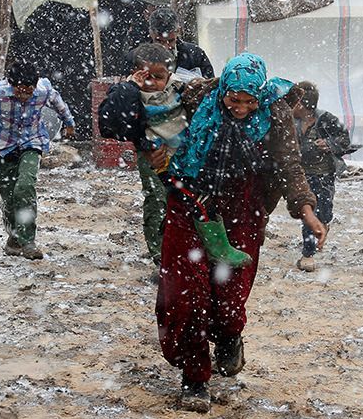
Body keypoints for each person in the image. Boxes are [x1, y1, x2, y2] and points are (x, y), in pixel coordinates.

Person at [157, 53, 327, 412]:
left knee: (230, 295)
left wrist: (307, 211)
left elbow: (288, 166)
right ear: (222, 92)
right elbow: (150, 122)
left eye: (249, 102)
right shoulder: (196, 99)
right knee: (188, 295)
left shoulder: (274, 112)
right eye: (233, 100)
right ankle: (195, 378)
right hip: (190, 199)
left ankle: (230, 336)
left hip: (242, 207)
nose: (240, 108)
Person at [99, 43, 250, 282]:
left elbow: (206, 92)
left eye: (158, 77)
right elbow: (111, 123)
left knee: (192, 205)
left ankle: (197, 255)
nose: (151, 83)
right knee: (161, 203)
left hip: (187, 156)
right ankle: (164, 259)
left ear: (169, 74)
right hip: (157, 158)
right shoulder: (130, 93)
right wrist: (129, 87)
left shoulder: (180, 88)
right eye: (145, 77)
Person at [0, 59, 76, 259]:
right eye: (20, 90)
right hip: (4, 147)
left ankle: (28, 242)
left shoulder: (43, 89)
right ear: (11, 84)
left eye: (28, 90)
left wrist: (69, 123)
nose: (24, 95)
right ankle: (14, 237)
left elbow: (59, 104)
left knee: (25, 186)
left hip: (32, 143)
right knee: (9, 198)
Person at [291, 81, 351, 272]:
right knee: (308, 213)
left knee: (324, 212)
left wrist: (329, 144)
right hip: (301, 175)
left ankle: (323, 225)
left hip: (324, 175)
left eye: (295, 102)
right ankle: (307, 254)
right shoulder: (291, 122)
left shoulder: (326, 120)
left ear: (303, 105)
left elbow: (345, 140)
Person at [124, 7, 214, 81]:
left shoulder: (195, 54)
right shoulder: (135, 57)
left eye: (170, 41)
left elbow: (210, 88)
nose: (165, 47)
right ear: (151, 33)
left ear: (178, 31)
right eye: (159, 41)